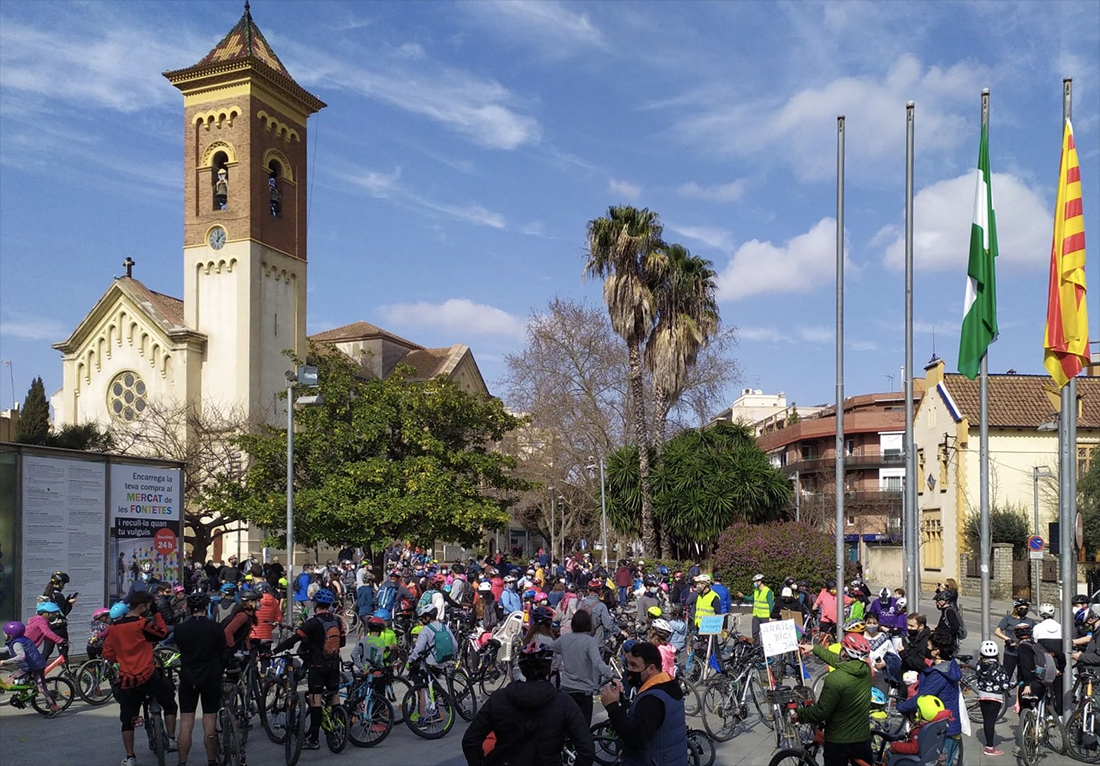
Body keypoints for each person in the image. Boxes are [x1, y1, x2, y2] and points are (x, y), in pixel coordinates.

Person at [462, 644, 594, 766]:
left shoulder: (499, 698)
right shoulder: (563, 702)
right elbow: (586, 748)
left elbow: (470, 740)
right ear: (548, 670)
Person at [103, 592, 179, 765]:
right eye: (148, 607)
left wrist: (122, 657)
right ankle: (172, 738)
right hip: (148, 675)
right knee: (169, 703)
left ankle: (130, 756)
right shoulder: (142, 624)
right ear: (142, 607)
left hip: (127, 679)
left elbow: (107, 653)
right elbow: (162, 633)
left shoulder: (113, 628)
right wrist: (157, 613)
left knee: (127, 719)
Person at [271, 588, 346, 750]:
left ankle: (314, 739)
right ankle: (338, 729)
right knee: (334, 697)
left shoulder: (312, 623)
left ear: (315, 604)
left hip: (317, 665)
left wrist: (273, 652)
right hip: (334, 664)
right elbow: (344, 643)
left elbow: (293, 640)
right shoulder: (337, 621)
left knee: (315, 700)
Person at [600, 641, 687, 766]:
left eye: (634, 666)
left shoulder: (652, 699)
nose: (629, 671)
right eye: (628, 665)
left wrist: (612, 707)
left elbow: (635, 737)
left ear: (651, 668)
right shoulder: (667, 683)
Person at [792, 632, 872, 766]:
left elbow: (822, 711)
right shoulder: (866, 670)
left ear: (844, 653)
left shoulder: (835, 679)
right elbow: (839, 661)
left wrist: (800, 715)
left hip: (838, 740)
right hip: (862, 737)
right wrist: (815, 649)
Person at [174, 592, 228, 766]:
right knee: (209, 721)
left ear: (189, 608)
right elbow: (224, 653)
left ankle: (182, 761)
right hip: (210, 677)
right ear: (207, 607)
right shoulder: (216, 628)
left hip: (188, 677)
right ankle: (211, 760)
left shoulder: (180, 629)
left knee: (186, 723)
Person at [898, 630, 963, 766]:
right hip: (951, 725)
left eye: (929, 646)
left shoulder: (938, 674)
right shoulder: (950, 665)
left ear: (937, 651)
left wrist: (902, 707)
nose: (926, 649)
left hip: (939, 728)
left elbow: (922, 698)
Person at [551, 609, 613, 725]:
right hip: (584, 690)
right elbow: (598, 663)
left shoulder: (564, 639)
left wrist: (556, 664)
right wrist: (612, 676)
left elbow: (550, 649)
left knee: (566, 725)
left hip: (566, 687)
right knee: (583, 729)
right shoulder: (590, 642)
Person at [1, 620, 59, 716]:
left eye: (6, 634)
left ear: (10, 635)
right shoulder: (19, 639)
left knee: (41, 688)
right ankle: (24, 695)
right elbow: (7, 649)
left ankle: (54, 707)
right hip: (27, 666)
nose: (5, 635)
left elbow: (21, 656)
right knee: (15, 677)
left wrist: (5, 662)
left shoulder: (17, 644)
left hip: (36, 666)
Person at [974, 639, 1011, 756]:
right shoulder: (1000, 668)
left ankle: (988, 743)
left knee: (986, 720)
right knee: (991, 721)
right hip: (995, 697)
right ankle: (990, 747)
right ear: (997, 655)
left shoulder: (979, 666)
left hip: (982, 696)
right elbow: (1005, 684)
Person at [889, 695, 952, 762]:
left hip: (914, 760)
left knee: (888, 754)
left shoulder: (920, 730)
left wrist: (895, 746)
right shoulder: (936, 726)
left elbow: (914, 748)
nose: (916, 713)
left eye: (918, 711)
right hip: (929, 757)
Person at [994, 598, 1034, 682]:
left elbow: (1035, 634)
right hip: (1011, 652)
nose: (1024, 610)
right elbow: (997, 631)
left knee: (1023, 676)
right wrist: (1008, 639)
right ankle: (1005, 693)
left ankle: (1019, 695)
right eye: (1021, 608)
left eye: (1026, 609)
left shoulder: (1030, 621)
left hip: (1024, 652)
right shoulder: (1008, 619)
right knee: (1006, 675)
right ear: (1016, 609)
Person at [580, 579, 620, 645]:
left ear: (588, 590)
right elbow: (608, 625)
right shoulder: (601, 606)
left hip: (582, 641)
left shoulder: (580, 604)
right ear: (600, 591)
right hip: (596, 642)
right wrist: (619, 632)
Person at [736, 573, 773, 640]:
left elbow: (770, 604)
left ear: (760, 581)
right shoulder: (756, 591)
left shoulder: (768, 591)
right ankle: (757, 647)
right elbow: (751, 598)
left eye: (756, 581)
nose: (755, 583)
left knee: (766, 634)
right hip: (756, 615)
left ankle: (767, 648)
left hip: (765, 616)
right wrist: (743, 596)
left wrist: (771, 617)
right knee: (755, 632)